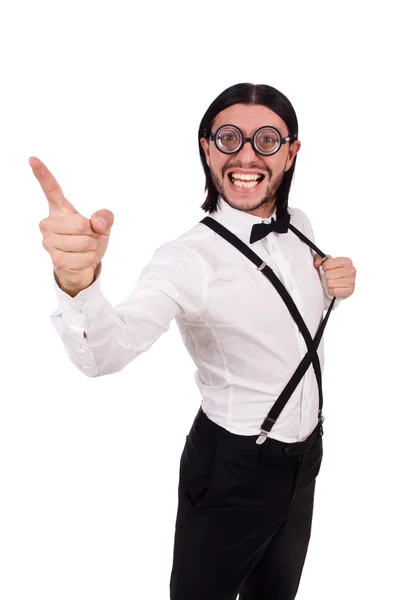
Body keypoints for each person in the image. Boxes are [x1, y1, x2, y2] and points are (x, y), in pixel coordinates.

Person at [31, 82, 356, 600]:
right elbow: (106, 354)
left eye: (266, 140)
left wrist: (338, 281)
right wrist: (79, 282)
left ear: (291, 153)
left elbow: (290, 314)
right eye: (229, 138)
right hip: (231, 469)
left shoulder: (301, 228)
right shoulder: (185, 260)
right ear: (207, 147)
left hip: (305, 459)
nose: (246, 155)